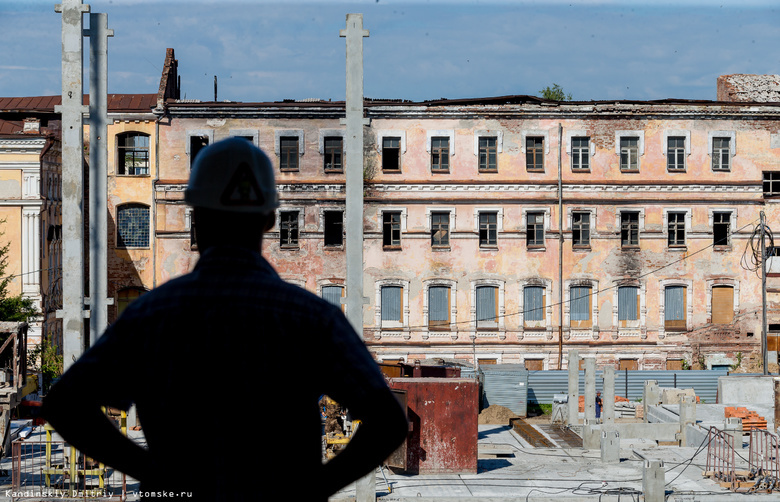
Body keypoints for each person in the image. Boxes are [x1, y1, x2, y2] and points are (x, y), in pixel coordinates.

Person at [41, 137, 409, 501]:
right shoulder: (311, 319)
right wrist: (314, 488)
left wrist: (150, 469)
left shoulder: (150, 315)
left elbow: (65, 404)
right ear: (268, 218)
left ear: (196, 217)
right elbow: (389, 421)